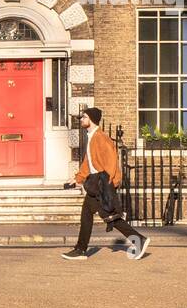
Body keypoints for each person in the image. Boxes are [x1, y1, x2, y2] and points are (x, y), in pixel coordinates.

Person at [61, 108, 150, 262]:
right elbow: (88, 163)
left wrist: (110, 183)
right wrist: (78, 179)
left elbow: (111, 161)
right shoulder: (92, 137)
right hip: (97, 180)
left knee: (109, 217)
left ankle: (82, 249)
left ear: (92, 119)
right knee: (92, 214)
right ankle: (81, 249)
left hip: (102, 181)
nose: (81, 119)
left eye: (84, 117)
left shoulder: (101, 138)